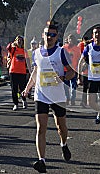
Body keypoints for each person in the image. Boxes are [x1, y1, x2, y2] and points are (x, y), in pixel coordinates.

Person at [22, 24, 74, 173]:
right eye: (47, 34)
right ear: (43, 35)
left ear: (56, 37)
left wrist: (63, 77)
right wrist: (27, 88)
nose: (49, 37)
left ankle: (63, 144)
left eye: (52, 35)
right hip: (41, 95)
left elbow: (72, 72)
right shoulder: (36, 53)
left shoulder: (61, 52)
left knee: (61, 127)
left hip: (57, 95)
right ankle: (41, 160)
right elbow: (35, 72)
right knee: (41, 127)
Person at [78, 27, 100, 133]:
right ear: (92, 36)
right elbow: (80, 62)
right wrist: (79, 77)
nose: (97, 35)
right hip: (92, 78)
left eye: (99, 33)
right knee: (90, 102)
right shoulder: (88, 48)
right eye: (95, 33)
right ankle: (99, 112)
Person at [7, 35, 28, 111]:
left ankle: (24, 100)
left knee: (22, 88)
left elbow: (27, 60)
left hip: (22, 72)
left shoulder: (24, 50)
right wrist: (12, 44)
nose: (19, 41)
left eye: (21, 40)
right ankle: (15, 103)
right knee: (14, 89)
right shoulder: (13, 49)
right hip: (13, 71)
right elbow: (8, 48)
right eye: (18, 40)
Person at [62, 34, 81, 105]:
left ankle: (73, 99)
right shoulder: (64, 48)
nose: (71, 41)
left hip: (74, 69)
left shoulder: (77, 49)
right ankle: (67, 98)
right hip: (65, 69)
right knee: (66, 86)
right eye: (70, 39)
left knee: (73, 85)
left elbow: (79, 59)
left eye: (72, 39)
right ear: (68, 40)